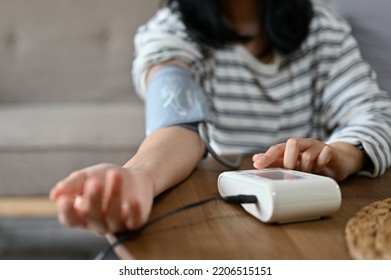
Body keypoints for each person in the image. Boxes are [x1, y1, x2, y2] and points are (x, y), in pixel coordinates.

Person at [50, 0, 391, 235]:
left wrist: (342, 152)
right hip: (214, 209)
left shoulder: (323, 28)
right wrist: (139, 175)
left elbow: (374, 113)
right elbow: (178, 124)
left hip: (314, 213)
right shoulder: (172, 30)